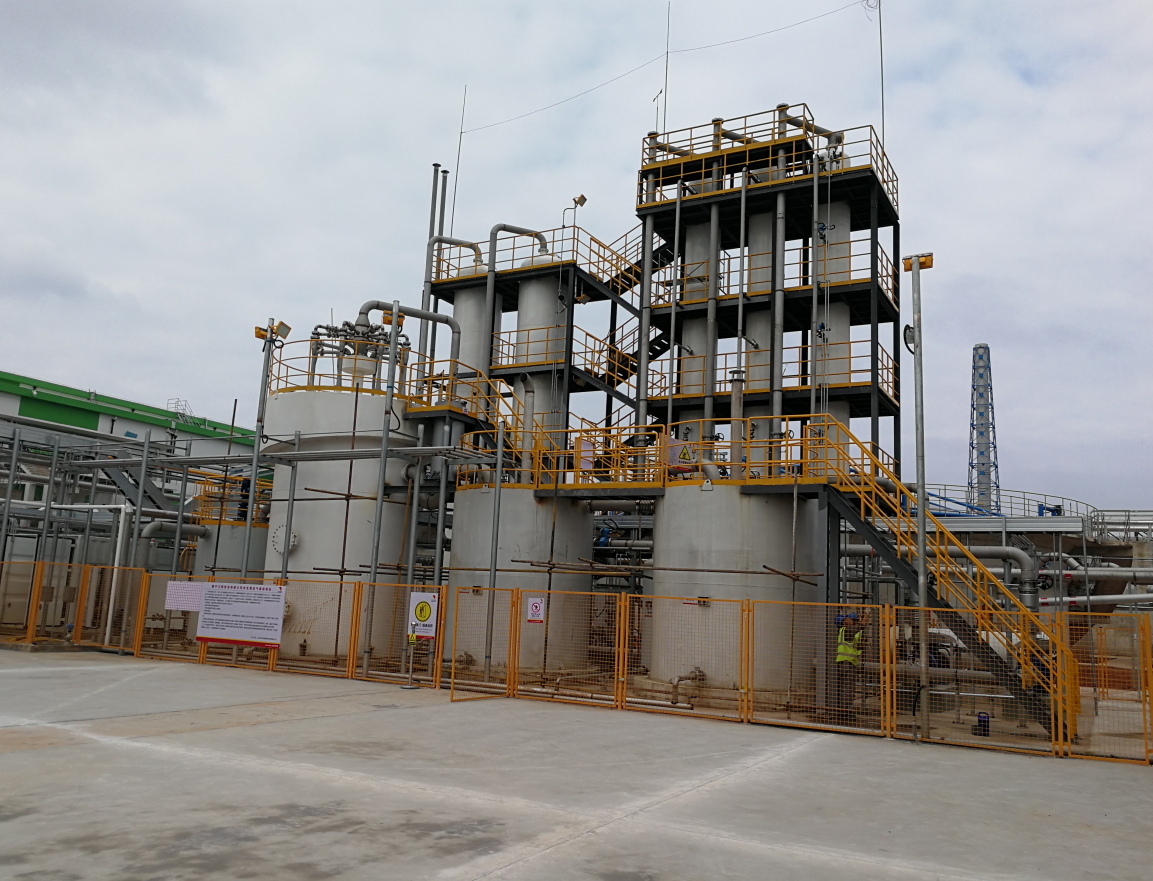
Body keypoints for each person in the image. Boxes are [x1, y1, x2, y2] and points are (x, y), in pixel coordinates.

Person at [836, 611, 869, 722]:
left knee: (843, 688)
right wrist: (867, 614)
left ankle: (842, 710)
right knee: (848, 689)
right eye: (848, 619)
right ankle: (846, 712)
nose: (851, 621)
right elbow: (862, 625)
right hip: (847, 663)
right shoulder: (847, 631)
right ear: (844, 623)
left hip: (843, 663)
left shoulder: (843, 632)